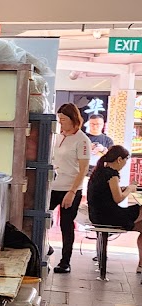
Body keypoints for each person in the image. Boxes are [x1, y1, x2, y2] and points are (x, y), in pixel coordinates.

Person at [86, 144, 142, 275]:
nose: (124, 165)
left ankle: (141, 265)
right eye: (125, 161)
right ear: (119, 160)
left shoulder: (99, 171)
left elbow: (105, 193)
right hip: (109, 215)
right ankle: (141, 264)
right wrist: (130, 189)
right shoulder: (112, 174)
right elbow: (118, 198)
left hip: (97, 214)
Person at [49, 101, 91, 274]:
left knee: (66, 225)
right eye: (59, 119)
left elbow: (83, 170)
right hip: (52, 186)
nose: (61, 123)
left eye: (64, 119)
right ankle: (45, 246)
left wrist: (72, 192)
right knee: (42, 218)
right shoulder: (57, 137)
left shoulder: (82, 140)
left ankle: (65, 261)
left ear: (74, 119)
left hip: (70, 188)